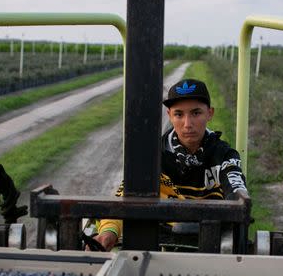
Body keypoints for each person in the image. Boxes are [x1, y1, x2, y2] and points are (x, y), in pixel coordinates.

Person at [89, 78, 249, 251]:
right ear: (170, 116)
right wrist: (109, 232)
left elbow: (237, 192)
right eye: (179, 114)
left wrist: (236, 210)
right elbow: (125, 196)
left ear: (210, 113)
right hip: (160, 241)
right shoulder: (152, 156)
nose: (188, 124)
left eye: (196, 113)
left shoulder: (224, 155)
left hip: (210, 238)